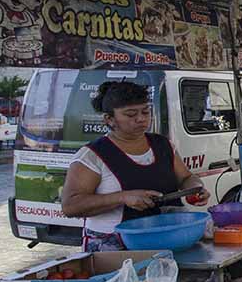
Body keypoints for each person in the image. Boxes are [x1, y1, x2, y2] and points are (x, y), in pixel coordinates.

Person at [62, 80, 211, 252]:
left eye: (145, 112)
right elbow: (70, 206)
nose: (141, 119)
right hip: (114, 245)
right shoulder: (92, 155)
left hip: (167, 238)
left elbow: (186, 177)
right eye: (130, 114)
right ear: (109, 119)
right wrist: (122, 197)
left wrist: (195, 188)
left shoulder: (162, 145)